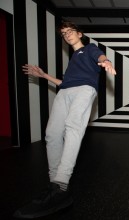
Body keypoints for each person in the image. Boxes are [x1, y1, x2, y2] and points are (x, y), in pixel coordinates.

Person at [13, 21, 116, 218]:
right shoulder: (73, 60)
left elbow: (99, 55)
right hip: (65, 92)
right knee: (51, 134)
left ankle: (61, 182)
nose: (67, 35)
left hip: (84, 90)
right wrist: (44, 76)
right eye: (63, 34)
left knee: (73, 127)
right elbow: (64, 83)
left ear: (79, 34)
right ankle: (56, 187)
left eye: (70, 31)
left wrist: (106, 61)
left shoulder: (89, 49)